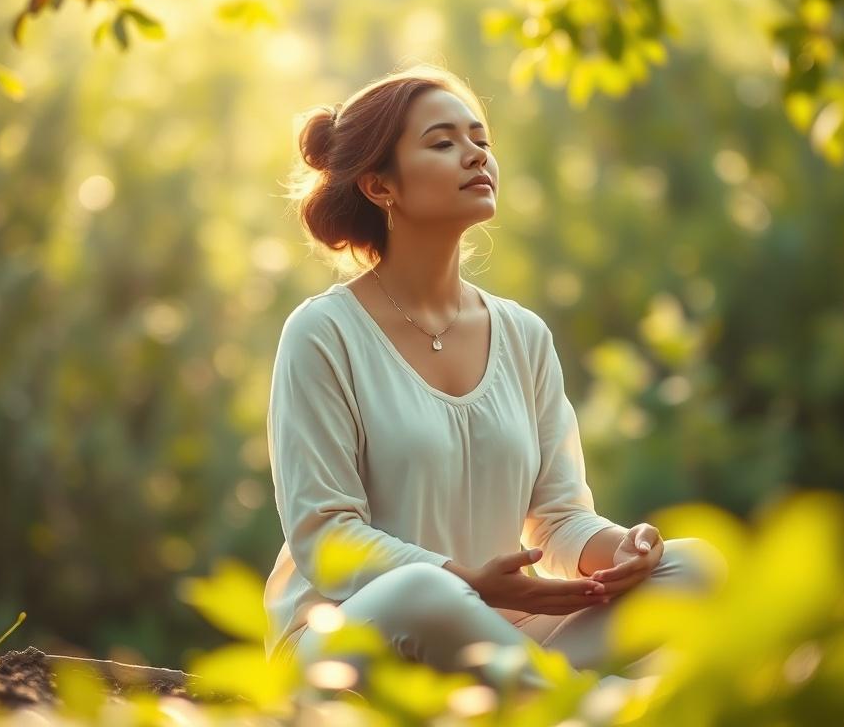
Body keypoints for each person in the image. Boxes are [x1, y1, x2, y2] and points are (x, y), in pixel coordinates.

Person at [263, 63, 722, 690]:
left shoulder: (523, 336)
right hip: (356, 635)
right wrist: (466, 580)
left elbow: (557, 520)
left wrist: (621, 549)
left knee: (695, 568)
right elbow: (325, 536)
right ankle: (596, 705)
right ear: (379, 186)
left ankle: (553, 698)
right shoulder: (322, 334)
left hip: (497, 635)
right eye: (443, 142)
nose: (476, 156)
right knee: (424, 591)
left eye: (481, 140)